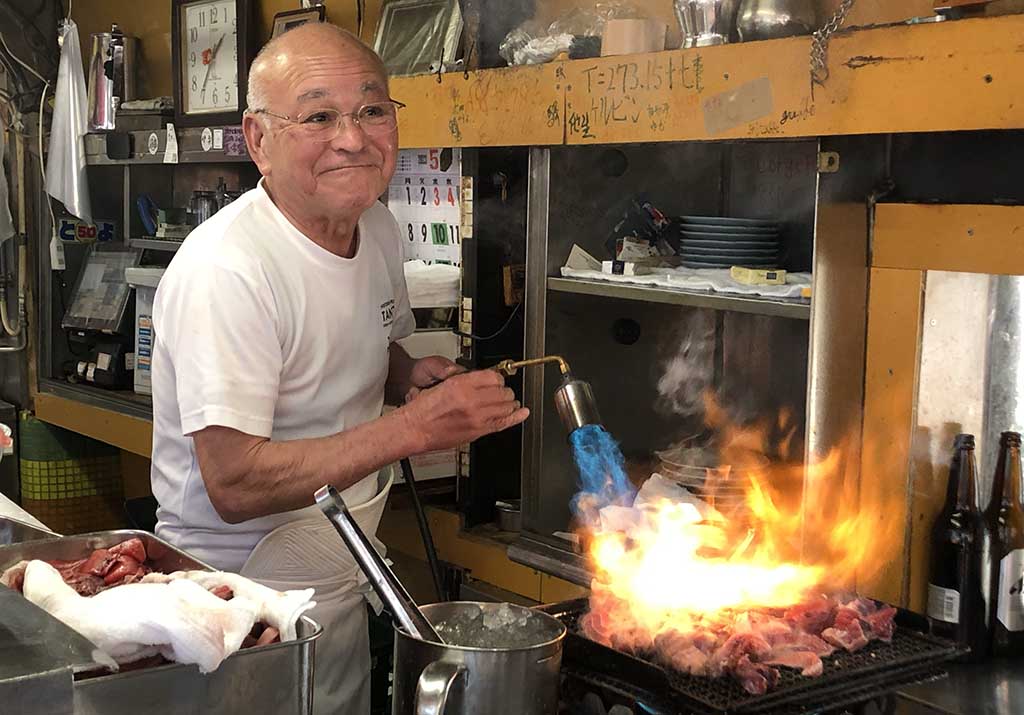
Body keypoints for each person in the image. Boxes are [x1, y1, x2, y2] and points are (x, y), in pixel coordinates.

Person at [149, 23, 528, 714]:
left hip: (338, 575)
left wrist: (406, 377)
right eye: (318, 115)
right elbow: (232, 481)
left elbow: (368, 343)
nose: (352, 137)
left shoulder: (376, 228)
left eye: (372, 110)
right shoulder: (229, 269)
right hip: (233, 611)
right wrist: (414, 429)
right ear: (258, 139)